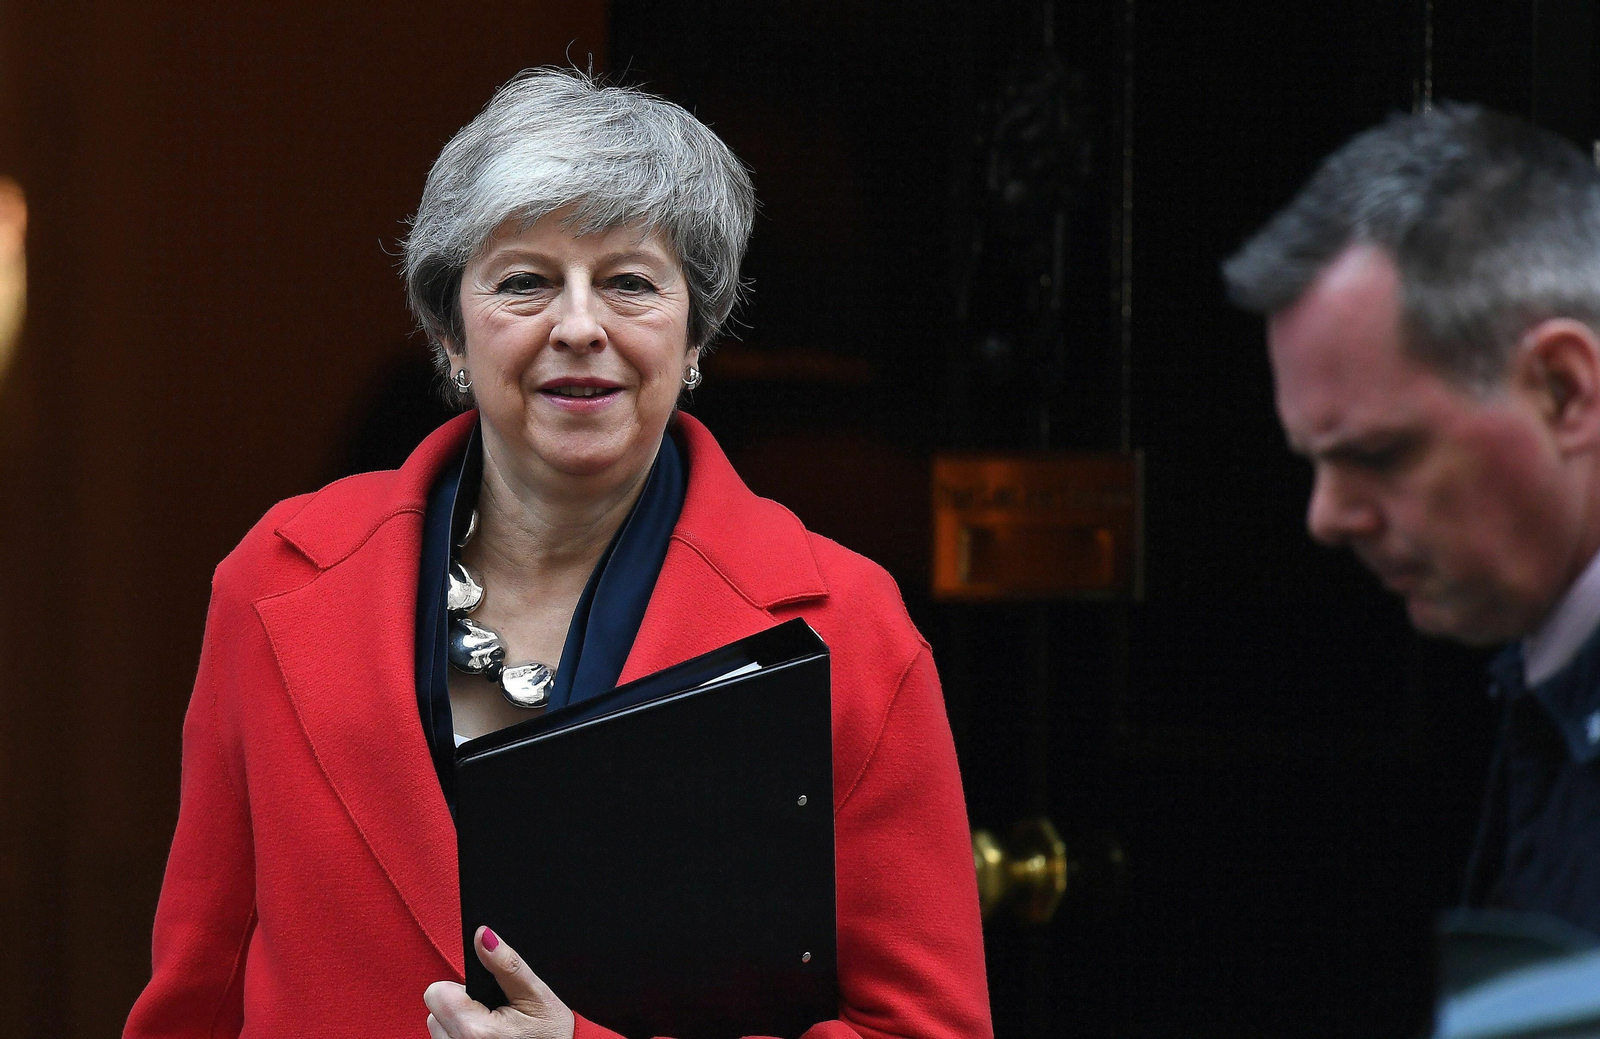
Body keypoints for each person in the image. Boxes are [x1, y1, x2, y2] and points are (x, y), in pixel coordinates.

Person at [124, 70, 991, 1039]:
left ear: (696, 330)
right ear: (451, 332)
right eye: (526, 280)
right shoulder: (272, 580)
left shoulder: (850, 626)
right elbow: (193, 996)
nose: (579, 327)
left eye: (628, 281)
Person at [1223, 104, 1600, 935]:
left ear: (1565, 388)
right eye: (1312, 460)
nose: (1326, 516)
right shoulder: (1545, 658)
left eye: (1381, 454)